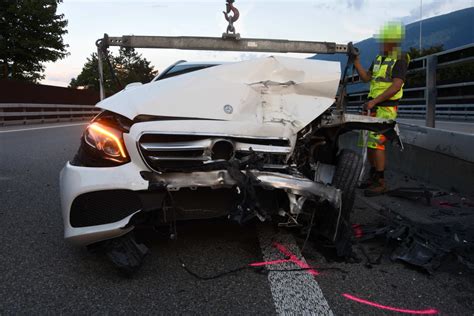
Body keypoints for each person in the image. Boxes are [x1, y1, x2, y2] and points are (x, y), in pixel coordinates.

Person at [353, 21, 410, 196]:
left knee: (377, 144)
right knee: (369, 144)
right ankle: (373, 178)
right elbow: (365, 78)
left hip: (385, 108)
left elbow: (396, 86)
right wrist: (356, 61)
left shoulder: (399, 59)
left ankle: (381, 181)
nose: (381, 43)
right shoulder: (379, 59)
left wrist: (374, 101)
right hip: (373, 107)